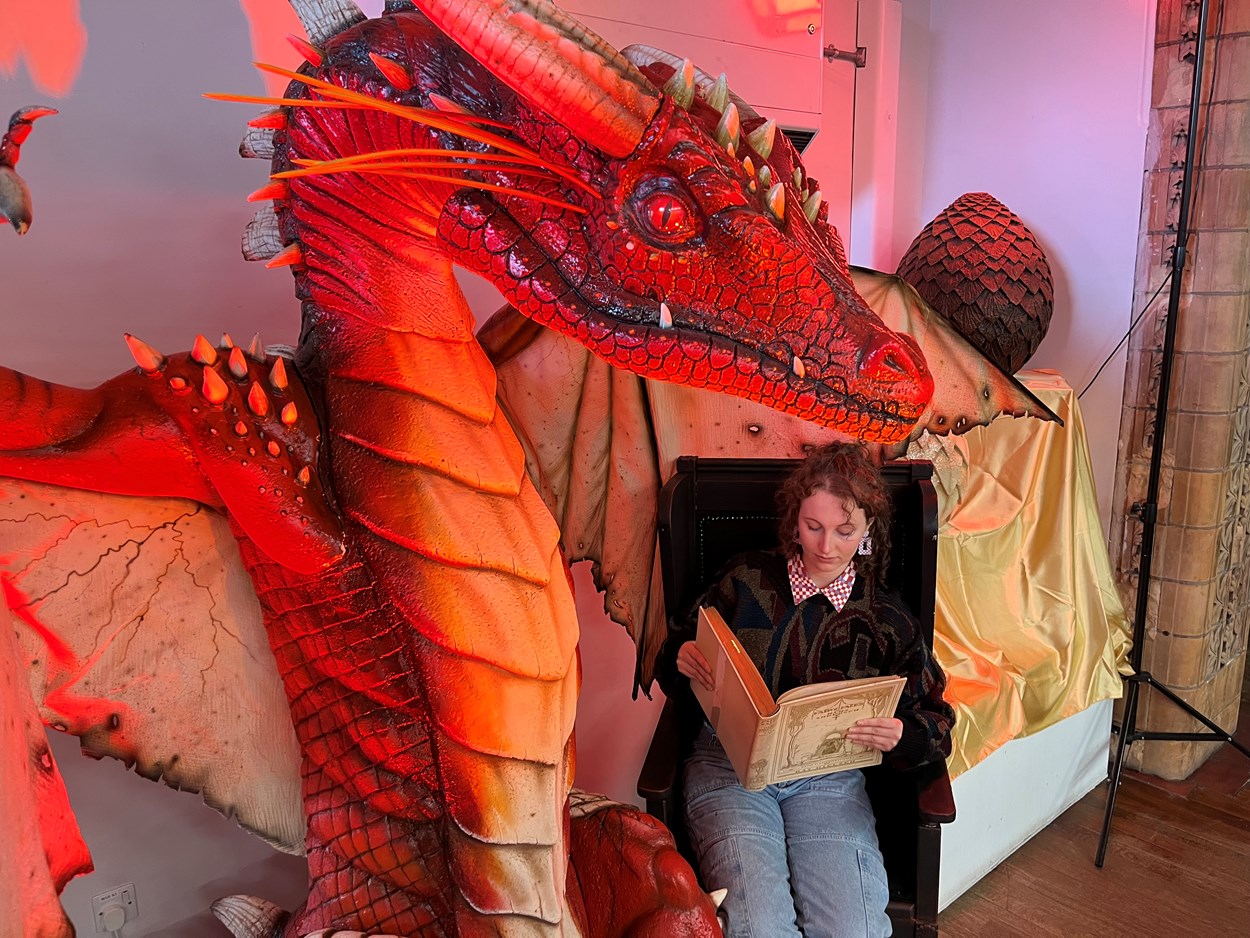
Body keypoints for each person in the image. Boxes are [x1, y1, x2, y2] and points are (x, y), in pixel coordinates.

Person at [656, 443, 954, 938]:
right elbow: (679, 646)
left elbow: (937, 720)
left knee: (854, 930)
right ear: (794, 521)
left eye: (845, 531)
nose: (826, 547)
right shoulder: (745, 577)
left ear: (867, 533)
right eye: (813, 527)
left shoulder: (887, 618)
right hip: (731, 767)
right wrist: (681, 656)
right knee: (758, 927)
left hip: (828, 779)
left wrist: (903, 733)